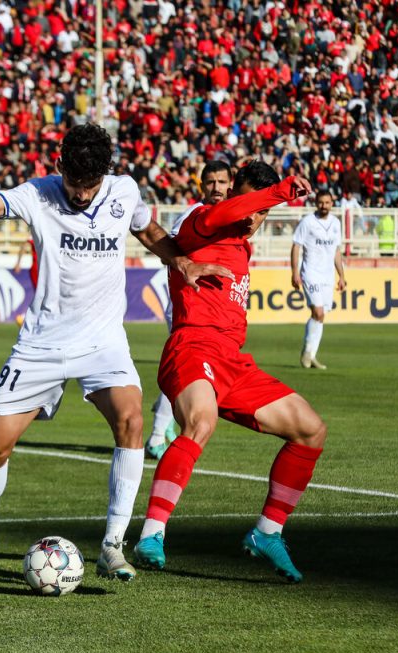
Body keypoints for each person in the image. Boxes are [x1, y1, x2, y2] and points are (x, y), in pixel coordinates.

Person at [0, 124, 229, 582]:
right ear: (60, 169)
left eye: (91, 186)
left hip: (103, 341)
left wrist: (182, 261)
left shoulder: (123, 192)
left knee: (132, 421)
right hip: (42, 343)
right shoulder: (39, 193)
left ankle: (112, 545)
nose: (83, 194)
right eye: (75, 184)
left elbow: (149, 231)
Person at [133, 161, 326, 584]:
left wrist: (265, 204)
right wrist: (280, 192)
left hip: (233, 360)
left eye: (262, 213)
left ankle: (267, 533)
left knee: (311, 429)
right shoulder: (204, 221)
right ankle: (151, 535)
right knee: (200, 422)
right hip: (191, 347)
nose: (255, 219)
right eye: (250, 207)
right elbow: (223, 213)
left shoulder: (241, 244)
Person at [146, 160, 233, 460]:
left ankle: (164, 422)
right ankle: (158, 436)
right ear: (202, 185)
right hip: (189, 306)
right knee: (188, 373)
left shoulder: (225, 217)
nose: (216, 188)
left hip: (212, 311)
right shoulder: (191, 216)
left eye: (222, 182)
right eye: (210, 182)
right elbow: (165, 255)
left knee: (191, 375)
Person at [291, 190, 346, 369]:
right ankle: (307, 354)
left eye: (327, 202)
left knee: (321, 317)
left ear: (332, 203)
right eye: (321, 202)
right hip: (311, 273)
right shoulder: (307, 222)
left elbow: (337, 251)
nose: (324, 206)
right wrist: (295, 272)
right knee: (319, 312)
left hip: (327, 275)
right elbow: (296, 246)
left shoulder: (336, 223)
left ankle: (311, 354)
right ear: (316, 203)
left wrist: (342, 276)